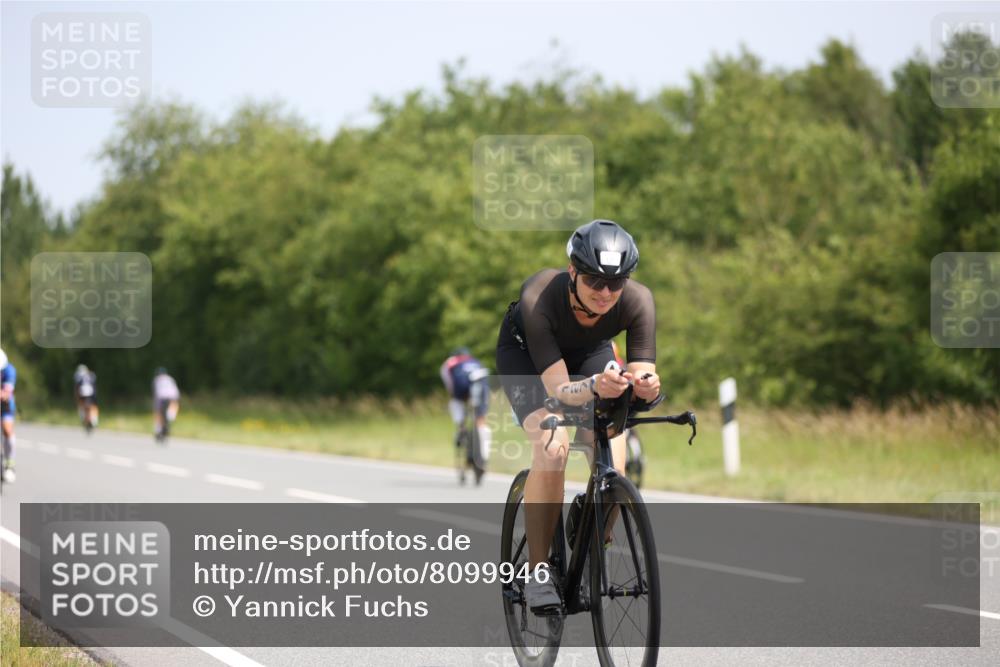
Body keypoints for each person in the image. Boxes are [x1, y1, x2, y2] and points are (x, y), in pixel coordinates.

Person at [496, 219, 661, 613]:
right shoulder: (539, 295)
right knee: (553, 447)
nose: (606, 293)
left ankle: (591, 529)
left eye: (615, 283)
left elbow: (643, 371)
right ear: (573, 272)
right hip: (527, 359)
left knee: (615, 458)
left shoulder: (638, 301)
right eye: (594, 281)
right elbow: (558, 392)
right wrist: (593, 388)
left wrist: (648, 386)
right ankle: (538, 572)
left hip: (590, 353)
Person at [440, 347, 492, 478]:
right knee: (481, 421)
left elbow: (450, 385)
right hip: (480, 391)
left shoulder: (450, 363)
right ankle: (484, 457)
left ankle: (461, 429)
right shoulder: (476, 362)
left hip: (461, 392)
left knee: (456, 405)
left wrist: (456, 396)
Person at [0, 349, 17, 482]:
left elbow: (6, 394)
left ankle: (10, 464)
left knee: (7, 430)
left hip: (4, 404)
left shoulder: (9, 370)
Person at [152, 367, 180, 442]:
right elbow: (175, 390)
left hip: (162, 398)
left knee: (159, 414)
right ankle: (169, 420)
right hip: (173, 397)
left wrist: (156, 405)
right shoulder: (170, 378)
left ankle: (159, 429)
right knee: (170, 413)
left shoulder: (157, 379)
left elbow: (157, 392)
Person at [74, 364, 99, 430]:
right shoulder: (91, 374)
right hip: (91, 393)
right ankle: (94, 420)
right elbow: (93, 385)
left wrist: (76, 396)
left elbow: (77, 386)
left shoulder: (79, 375)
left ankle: (84, 419)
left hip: (82, 392)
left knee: (82, 406)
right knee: (92, 406)